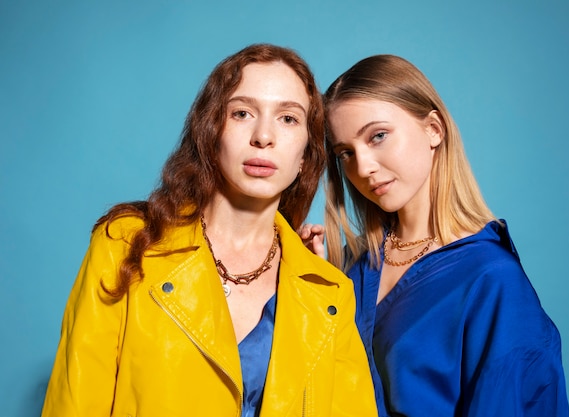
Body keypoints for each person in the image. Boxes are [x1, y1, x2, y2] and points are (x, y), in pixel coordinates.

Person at [41, 44, 377, 417]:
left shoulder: (329, 293)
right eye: (242, 112)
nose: (263, 136)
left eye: (288, 119)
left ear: (305, 156)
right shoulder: (126, 244)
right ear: (211, 131)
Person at [318, 54, 569, 416]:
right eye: (345, 153)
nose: (363, 167)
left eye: (378, 136)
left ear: (434, 129)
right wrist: (311, 286)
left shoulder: (492, 280)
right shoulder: (356, 265)